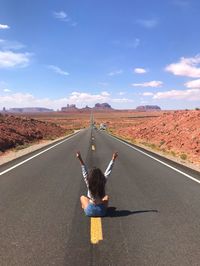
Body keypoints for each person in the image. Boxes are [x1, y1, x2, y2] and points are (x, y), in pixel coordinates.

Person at [76, 151, 118, 217]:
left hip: (89, 212)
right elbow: (108, 172)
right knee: (106, 197)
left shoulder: (89, 182)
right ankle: (99, 208)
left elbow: (84, 172)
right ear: (100, 175)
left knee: (82, 197)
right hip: (102, 212)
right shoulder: (103, 181)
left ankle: (84, 207)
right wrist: (113, 159)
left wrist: (80, 158)